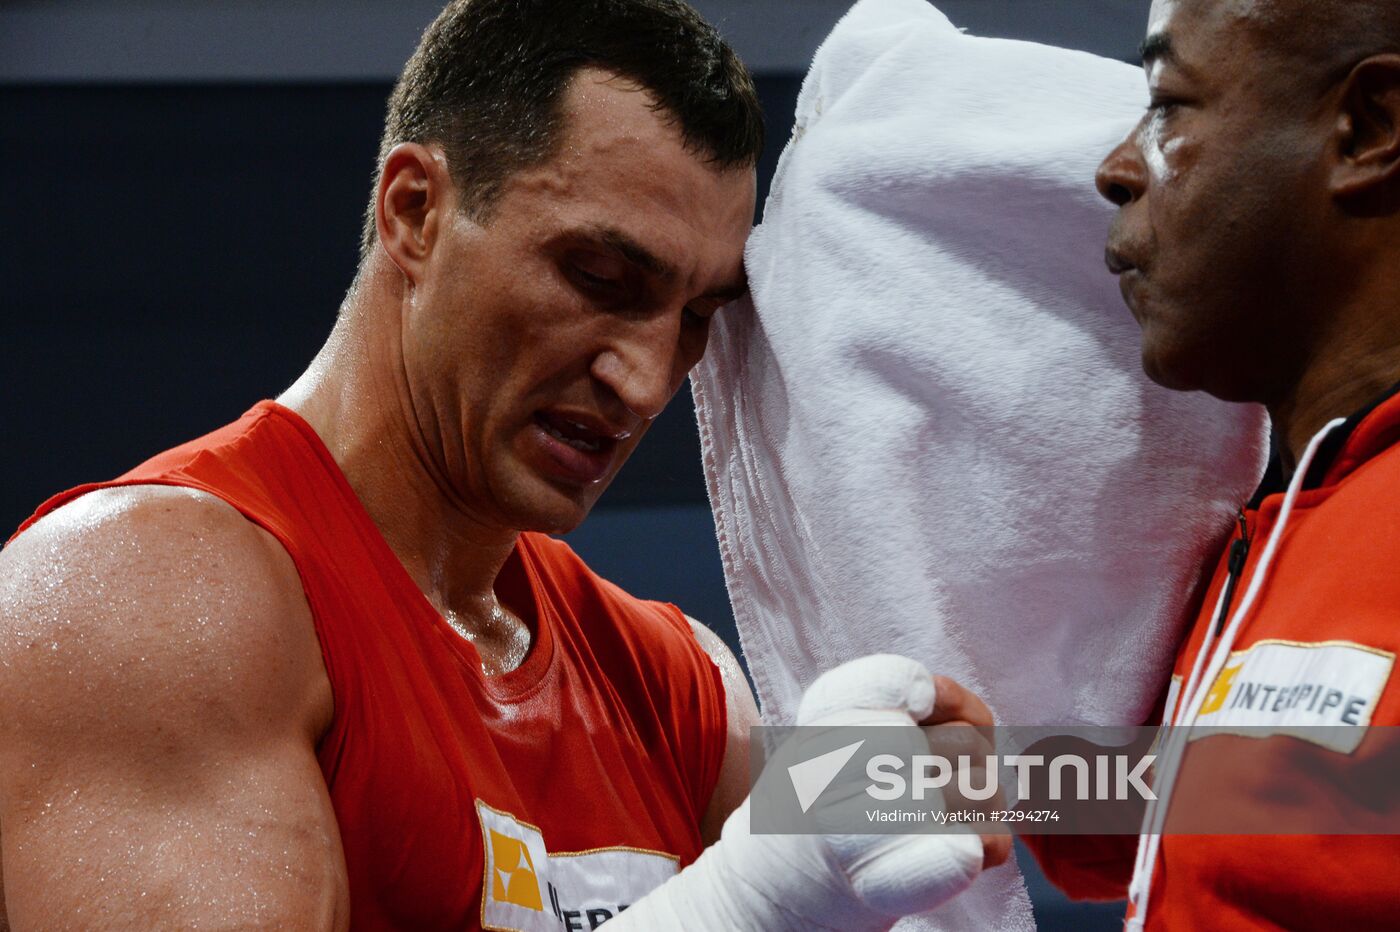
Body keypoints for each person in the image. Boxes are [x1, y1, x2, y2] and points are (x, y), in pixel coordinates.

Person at [0, 1, 1007, 929]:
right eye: (599, 278)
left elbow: (1126, 784)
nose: (648, 377)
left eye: (697, 316)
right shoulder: (143, 603)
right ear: (414, 211)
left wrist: (1014, 778)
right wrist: (735, 903)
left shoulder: (676, 684)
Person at [1023, 0, 1400, 928]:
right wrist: (808, 790)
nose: (1117, 168)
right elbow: (1252, 795)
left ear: (1370, 128)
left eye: (1168, 104)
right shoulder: (1295, 523)